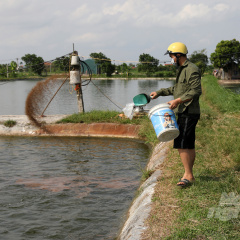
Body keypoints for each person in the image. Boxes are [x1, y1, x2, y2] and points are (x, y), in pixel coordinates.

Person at [150, 42, 202, 187]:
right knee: (188, 144)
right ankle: (188, 173)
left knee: (182, 144)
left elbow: (196, 90)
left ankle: (188, 176)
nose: (171, 59)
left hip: (188, 111)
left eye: (172, 56)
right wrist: (159, 93)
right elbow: (177, 88)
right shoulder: (182, 69)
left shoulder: (191, 69)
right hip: (184, 111)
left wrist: (178, 100)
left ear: (178, 55)